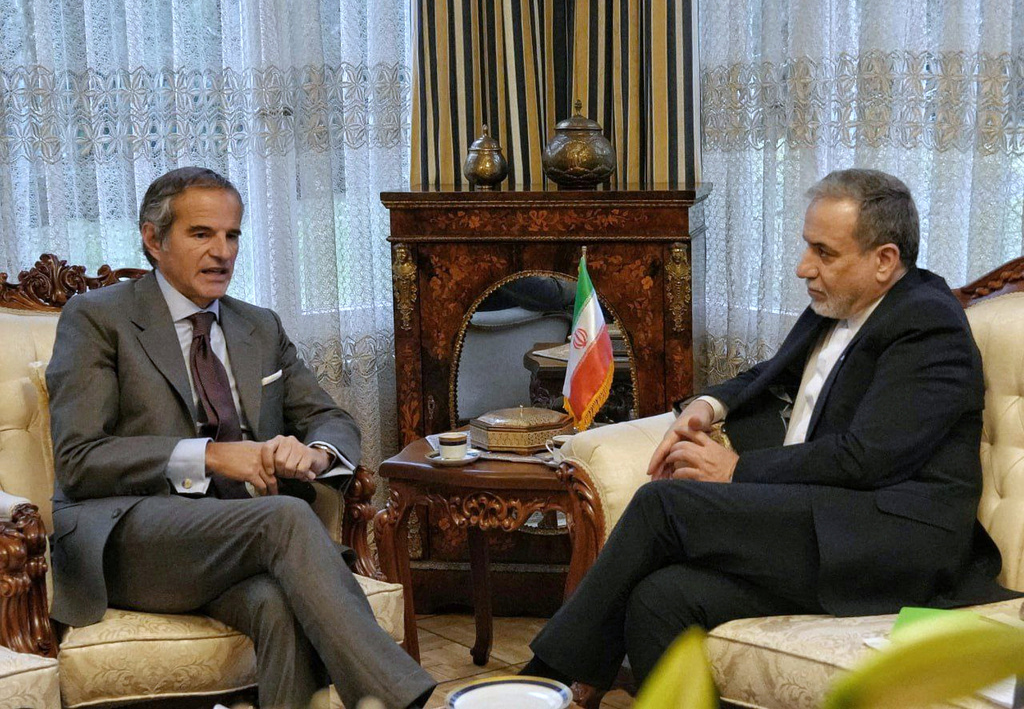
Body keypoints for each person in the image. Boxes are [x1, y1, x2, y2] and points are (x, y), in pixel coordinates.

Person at [523, 168, 1017, 689]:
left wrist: (737, 470)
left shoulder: (928, 325)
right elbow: (771, 371)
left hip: (893, 542)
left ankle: (539, 686)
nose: (805, 267)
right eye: (808, 247)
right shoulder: (841, 301)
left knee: (662, 505)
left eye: (824, 253)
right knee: (660, 599)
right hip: (827, 523)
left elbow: (867, 457)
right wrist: (707, 407)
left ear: (884, 261)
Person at [47, 167, 435, 709]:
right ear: (154, 240)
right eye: (201, 234)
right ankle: (405, 699)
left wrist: (315, 453)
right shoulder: (97, 318)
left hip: (237, 541)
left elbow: (330, 417)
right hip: (131, 539)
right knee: (284, 518)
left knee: (275, 605)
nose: (221, 252)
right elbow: (79, 458)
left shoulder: (259, 326)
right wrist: (212, 456)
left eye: (232, 235)